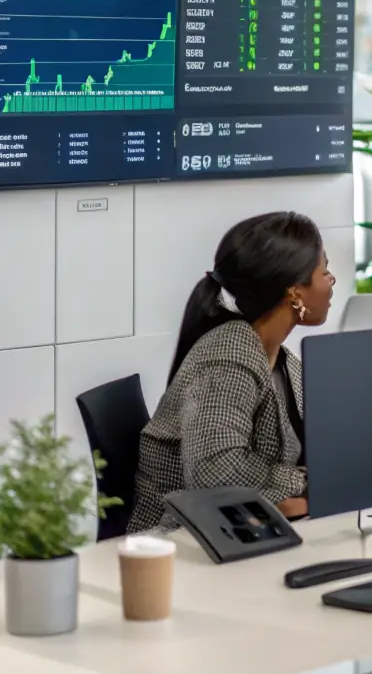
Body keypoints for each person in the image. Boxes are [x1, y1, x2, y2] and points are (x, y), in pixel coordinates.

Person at [129, 210, 335, 532]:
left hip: (242, 530)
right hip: (184, 544)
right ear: (294, 291)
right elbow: (215, 473)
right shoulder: (229, 355)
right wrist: (300, 486)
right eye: (325, 271)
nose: (331, 282)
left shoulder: (279, 356)